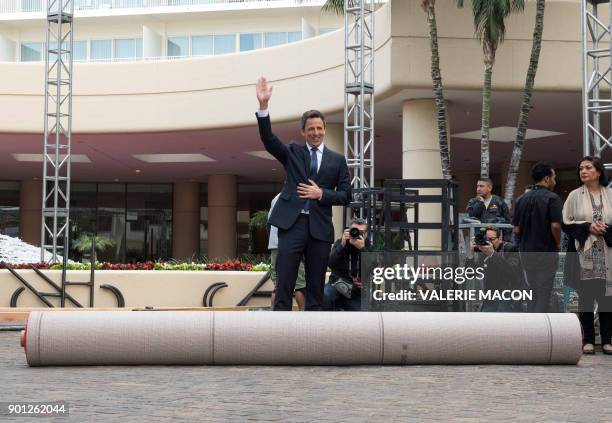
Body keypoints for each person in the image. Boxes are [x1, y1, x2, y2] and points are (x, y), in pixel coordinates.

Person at [255, 76, 352, 311]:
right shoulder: (293, 152)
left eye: (319, 128)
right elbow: (268, 140)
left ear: (325, 130)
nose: (316, 132)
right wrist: (263, 107)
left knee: (315, 287)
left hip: (319, 229)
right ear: (303, 131)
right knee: (285, 284)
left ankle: (313, 338)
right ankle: (279, 336)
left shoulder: (337, 161)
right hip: (292, 226)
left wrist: (321, 194)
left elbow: (346, 195)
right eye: (311, 129)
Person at [562, 156, 612, 355]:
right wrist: (588, 227)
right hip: (584, 254)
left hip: (608, 253)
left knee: (608, 298)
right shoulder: (574, 195)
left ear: (598, 171)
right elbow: (566, 222)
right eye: (581, 168)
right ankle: (589, 340)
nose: (583, 171)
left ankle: (607, 340)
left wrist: (605, 230)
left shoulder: (609, 194)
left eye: (588, 168)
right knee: (585, 298)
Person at [512, 162, 563, 313]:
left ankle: (532, 330)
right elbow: (555, 226)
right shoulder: (553, 198)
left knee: (532, 292)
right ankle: (541, 331)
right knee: (543, 292)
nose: (555, 180)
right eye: (554, 177)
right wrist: (558, 243)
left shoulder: (521, 199)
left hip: (526, 253)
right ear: (547, 178)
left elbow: (516, 228)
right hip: (546, 251)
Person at [467, 226, 521, 312]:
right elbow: (470, 274)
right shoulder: (485, 251)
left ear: (499, 239)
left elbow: (512, 271)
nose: (489, 242)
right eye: (487, 239)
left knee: (500, 318)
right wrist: (470, 254)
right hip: (490, 297)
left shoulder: (510, 249)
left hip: (508, 295)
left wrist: (492, 254)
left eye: (492, 239)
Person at [323, 218, 371, 311]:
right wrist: (342, 245)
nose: (357, 234)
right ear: (348, 231)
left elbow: (374, 268)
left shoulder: (367, 245)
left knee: (364, 313)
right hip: (336, 286)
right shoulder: (341, 242)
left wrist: (362, 249)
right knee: (325, 296)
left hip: (355, 291)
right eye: (354, 231)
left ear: (366, 234)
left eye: (361, 232)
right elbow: (330, 263)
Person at [268, 193, 306, 310]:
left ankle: (274, 319)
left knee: (278, 285)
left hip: (274, 245)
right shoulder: (296, 196)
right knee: (300, 285)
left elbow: (269, 223)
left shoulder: (276, 198)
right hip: (289, 245)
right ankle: (307, 319)